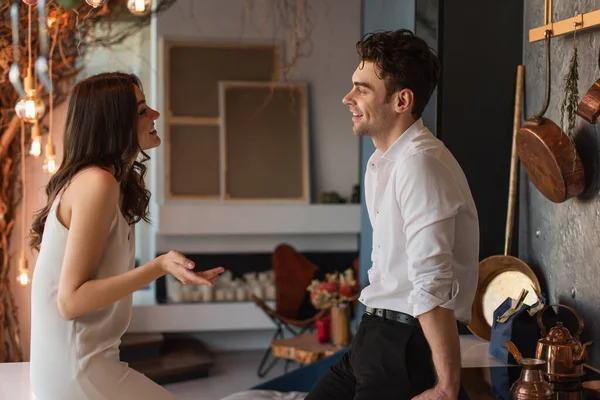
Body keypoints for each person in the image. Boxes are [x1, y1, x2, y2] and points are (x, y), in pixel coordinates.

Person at [306, 29, 479, 400]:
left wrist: (447, 388)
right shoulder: (381, 162)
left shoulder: (421, 164)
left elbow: (431, 283)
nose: (347, 98)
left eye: (362, 88)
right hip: (374, 336)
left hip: (405, 342)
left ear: (402, 101)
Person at [28, 72, 224, 400]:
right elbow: (70, 301)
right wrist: (158, 266)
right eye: (143, 110)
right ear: (115, 122)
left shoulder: (111, 183)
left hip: (88, 363)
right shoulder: (96, 183)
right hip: (75, 371)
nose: (155, 116)